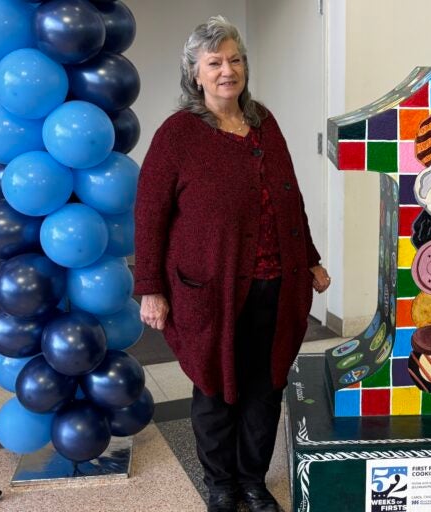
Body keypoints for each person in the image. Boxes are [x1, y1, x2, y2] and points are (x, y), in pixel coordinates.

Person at [134, 16, 330, 512]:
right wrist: (151, 288)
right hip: (209, 289)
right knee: (216, 385)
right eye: (215, 62)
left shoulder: (264, 121)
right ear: (195, 73)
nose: (228, 70)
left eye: (235, 59)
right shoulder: (177, 134)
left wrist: (309, 259)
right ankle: (220, 483)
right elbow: (150, 214)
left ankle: (252, 481)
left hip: (276, 284)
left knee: (266, 387)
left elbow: (290, 198)